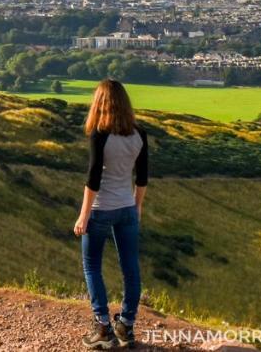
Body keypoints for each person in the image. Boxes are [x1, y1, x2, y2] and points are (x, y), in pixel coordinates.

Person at [73, 78, 148, 350]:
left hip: (101, 209)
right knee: (131, 269)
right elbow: (143, 178)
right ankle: (126, 325)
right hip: (127, 208)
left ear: (99, 103)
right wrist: (136, 206)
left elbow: (93, 179)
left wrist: (83, 216)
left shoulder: (100, 135)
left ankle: (102, 327)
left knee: (92, 266)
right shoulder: (139, 133)